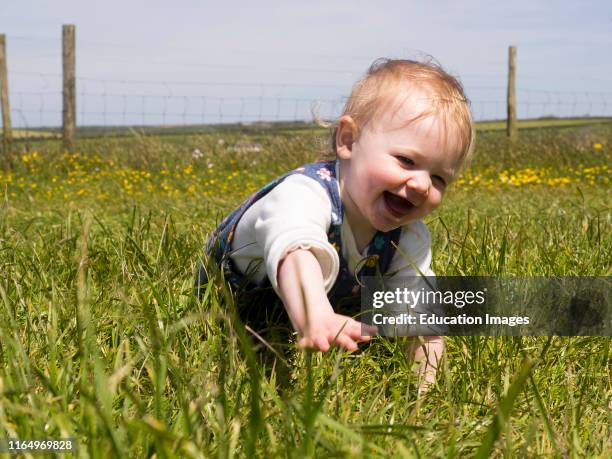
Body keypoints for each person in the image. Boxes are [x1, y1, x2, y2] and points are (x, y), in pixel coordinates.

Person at [197, 58, 475, 388]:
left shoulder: (409, 234)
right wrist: (315, 315)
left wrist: (426, 393)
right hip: (237, 295)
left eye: (439, 178)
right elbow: (295, 253)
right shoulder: (303, 195)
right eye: (406, 160)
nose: (420, 185)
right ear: (348, 141)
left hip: (324, 297)